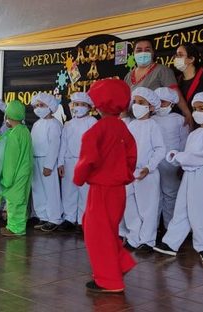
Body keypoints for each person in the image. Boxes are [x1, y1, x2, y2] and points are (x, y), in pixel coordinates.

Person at [74, 79, 137, 293]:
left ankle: (109, 281)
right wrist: (124, 176)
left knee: (97, 234)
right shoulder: (123, 129)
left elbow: (87, 159)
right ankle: (120, 264)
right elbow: (131, 158)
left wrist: (79, 178)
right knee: (108, 231)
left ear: (99, 105)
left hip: (100, 189)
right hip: (118, 190)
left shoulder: (96, 130)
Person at [153, 92, 203, 264]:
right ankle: (171, 243)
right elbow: (188, 154)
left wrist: (181, 157)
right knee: (181, 208)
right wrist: (178, 155)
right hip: (190, 175)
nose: (197, 112)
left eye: (201, 108)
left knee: (201, 211)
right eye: (195, 109)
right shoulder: (194, 134)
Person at [121, 87, 165, 252]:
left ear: (151, 107)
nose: (136, 106)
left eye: (141, 103)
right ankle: (134, 236)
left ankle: (147, 240)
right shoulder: (131, 125)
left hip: (147, 173)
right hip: (130, 172)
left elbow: (160, 149)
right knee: (129, 204)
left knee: (148, 207)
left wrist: (149, 166)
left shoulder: (153, 125)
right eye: (135, 102)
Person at [124, 38, 193, 128]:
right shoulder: (128, 76)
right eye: (139, 50)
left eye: (147, 50)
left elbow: (175, 93)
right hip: (132, 124)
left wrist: (186, 113)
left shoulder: (162, 70)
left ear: (153, 52)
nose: (143, 52)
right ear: (134, 53)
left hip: (155, 123)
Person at [0, 100, 33, 236]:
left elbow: (11, 159)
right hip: (24, 170)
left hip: (15, 173)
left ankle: (16, 228)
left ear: (8, 116)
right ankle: (15, 226)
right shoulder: (24, 130)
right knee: (20, 199)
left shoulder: (14, 134)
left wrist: (7, 178)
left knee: (14, 200)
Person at [57, 92, 97, 232]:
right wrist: (60, 162)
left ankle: (82, 220)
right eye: (76, 104)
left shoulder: (92, 122)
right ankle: (69, 217)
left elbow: (95, 145)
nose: (78, 107)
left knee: (84, 192)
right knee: (68, 191)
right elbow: (63, 144)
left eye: (82, 104)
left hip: (85, 162)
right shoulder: (68, 124)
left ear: (89, 107)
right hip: (69, 161)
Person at [152, 87, 188, 228]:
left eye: (164, 102)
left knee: (171, 195)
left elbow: (184, 143)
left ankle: (170, 228)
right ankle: (152, 229)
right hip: (154, 163)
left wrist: (181, 164)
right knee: (154, 196)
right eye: (158, 102)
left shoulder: (179, 120)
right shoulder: (151, 120)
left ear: (172, 103)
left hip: (171, 163)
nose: (160, 105)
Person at [30, 92, 63, 232]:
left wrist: (49, 165)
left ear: (50, 106)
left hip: (47, 161)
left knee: (51, 190)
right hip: (35, 159)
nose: (38, 108)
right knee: (38, 190)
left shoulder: (55, 124)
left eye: (41, 105)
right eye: (36, 106)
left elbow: (55, 145)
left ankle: (54, 218)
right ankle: (42, 215)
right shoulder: (36, 124)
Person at [174, 43, 203, 111]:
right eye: (176, 55)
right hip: (182, 120)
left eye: (180, 55)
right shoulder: (177, 80)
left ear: (191, 59)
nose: (176, 58)